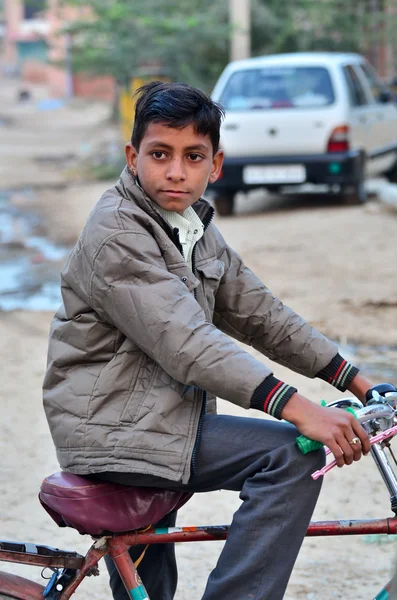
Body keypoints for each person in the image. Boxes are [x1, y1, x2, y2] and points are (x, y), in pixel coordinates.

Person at [43, 81, 373, 600]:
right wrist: (296, 406)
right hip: (118, 430)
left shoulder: (190, 224)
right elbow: (187, 342)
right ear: (133, 157)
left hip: (160, 422)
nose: (176, 171)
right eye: (160, 154)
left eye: (192, 156)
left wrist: (356, 379)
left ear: (214, 166)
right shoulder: (117, 232)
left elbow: (261, 314)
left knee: (152, 583)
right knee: (291, 455)